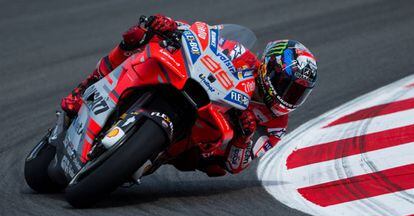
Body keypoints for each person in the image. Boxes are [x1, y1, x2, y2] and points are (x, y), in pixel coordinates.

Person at [61, 14, 318, 177]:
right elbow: (205, 37)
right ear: (268, 68)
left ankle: (143, 155)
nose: (289, 96)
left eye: (297, 93)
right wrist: (171, 26)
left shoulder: (276, 125)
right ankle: (85, 88)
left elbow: (237, 166)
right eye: (286, 85)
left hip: (206, 143)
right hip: (197, 91)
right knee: (138, 38)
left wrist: (243, 137)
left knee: (212, 166)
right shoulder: (243, 55)